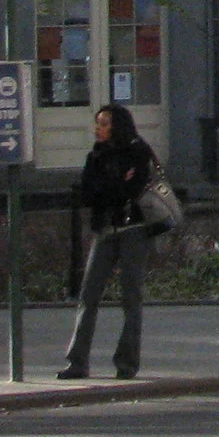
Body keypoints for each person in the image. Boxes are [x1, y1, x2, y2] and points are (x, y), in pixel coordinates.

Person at [60, 102, 159, 381]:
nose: (99, 128)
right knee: (88, 294)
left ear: (117, 125)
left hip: (134, 230)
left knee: (131, 297)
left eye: (104, 123)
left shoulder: (138, 150)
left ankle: (127, 364)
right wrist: (117, 185)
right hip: (105, 230)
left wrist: (113, 187)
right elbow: (89, 195)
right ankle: (77, 362)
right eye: (98, 123)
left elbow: (135, 188)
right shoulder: (96, 155)